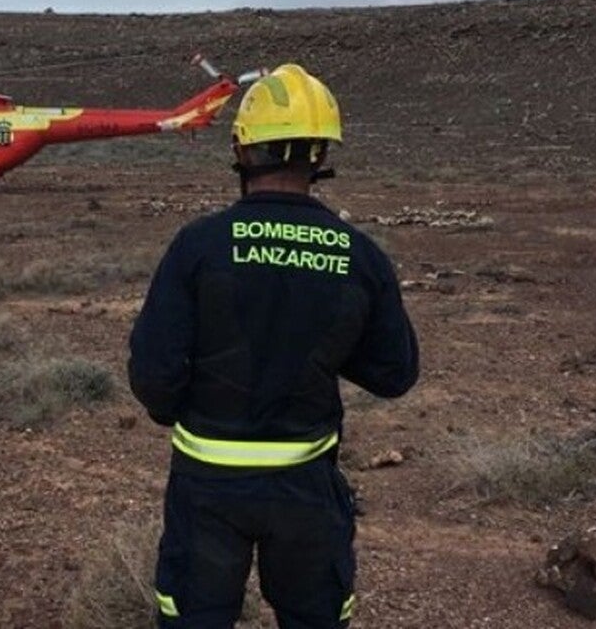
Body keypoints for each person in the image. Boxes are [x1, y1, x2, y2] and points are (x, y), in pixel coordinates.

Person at [127, 64, 419, 627]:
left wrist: (181, 413)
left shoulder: (198, 246)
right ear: (320, 154)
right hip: (305, 487)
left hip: (207, 486)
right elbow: (394, 373)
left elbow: (154, 372)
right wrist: (322, 344)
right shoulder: (359, 255)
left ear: (242, 150)